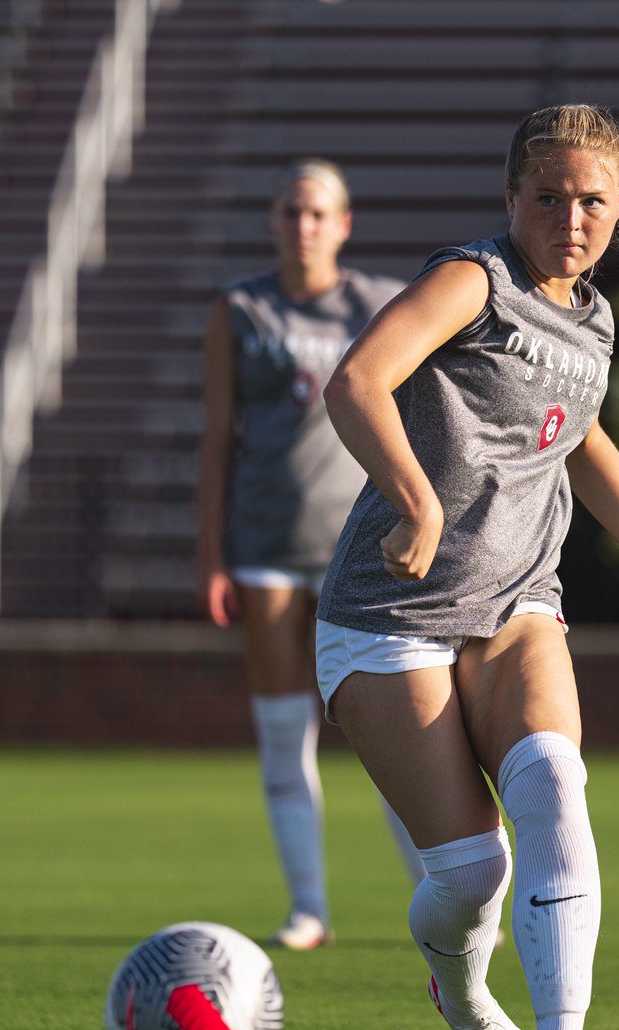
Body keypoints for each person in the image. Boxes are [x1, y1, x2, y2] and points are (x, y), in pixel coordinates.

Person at [314, 105, 619, 1030]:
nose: (571, 216)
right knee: (471, 875)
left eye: (593, 200)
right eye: (549, 197)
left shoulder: (592, 318)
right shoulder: (474, 279)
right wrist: (415, 497)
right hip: (388, 612)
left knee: (551, 779)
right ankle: (459, 988)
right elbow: (358, 381)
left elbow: (581, 440)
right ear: (513, 200)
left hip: (516, 606)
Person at [197, 158, 426, 951]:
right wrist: (211, 555)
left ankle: (440, 896)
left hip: (355, 549)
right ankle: (309, 909)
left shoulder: (376, 303)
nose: (304, 226)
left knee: (393, 730)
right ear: (273, 221)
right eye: (291, 212)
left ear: (344, 224)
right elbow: (217, 438)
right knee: (283, 730)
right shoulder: (240, 309)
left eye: (318, 213)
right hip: (263, 547)